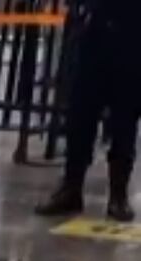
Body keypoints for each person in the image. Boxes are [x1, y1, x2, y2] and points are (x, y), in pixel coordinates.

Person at [36, 0, 141, 222]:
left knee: (125, 115)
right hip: (91, 29)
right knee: (80, 112)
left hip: (131, 30)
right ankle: (71, 187)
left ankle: (118, 194)